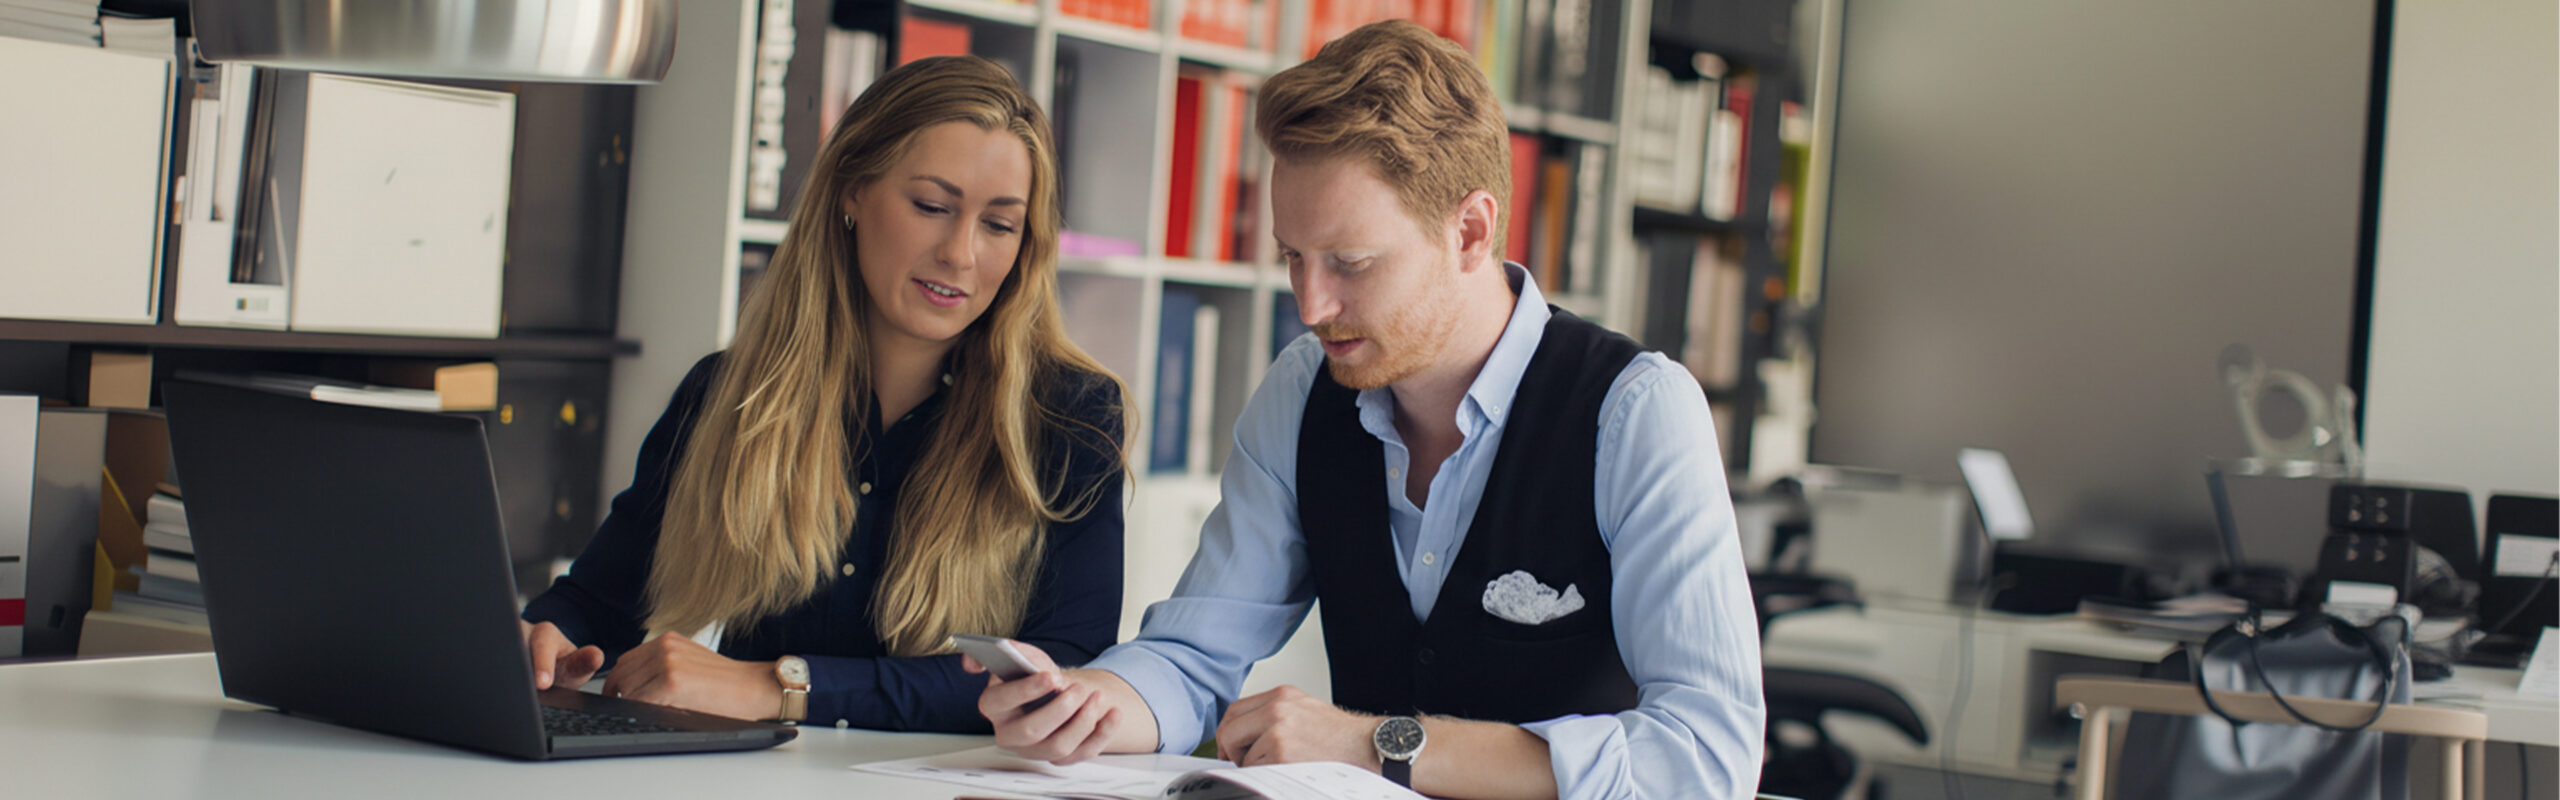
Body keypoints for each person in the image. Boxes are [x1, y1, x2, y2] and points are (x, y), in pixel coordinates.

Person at [967, 21, 1765, 799]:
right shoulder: (1301, 390)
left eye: (1351, 263)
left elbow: (1708, 757)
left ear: (1471, 231)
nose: (1312, 305)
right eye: (1293, 258)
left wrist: (1379, 745)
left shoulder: (1635, 413)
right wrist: (1085, 704)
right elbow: (1192, 656)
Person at [519, 55, 1130, 732]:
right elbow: (603, 596)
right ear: (852, 190)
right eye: (931, 206)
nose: (961, 254)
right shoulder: (727, 394)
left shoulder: (1067, 417)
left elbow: (1064, 675)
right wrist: (546, 635)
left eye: (999, 225)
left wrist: (778, 686)